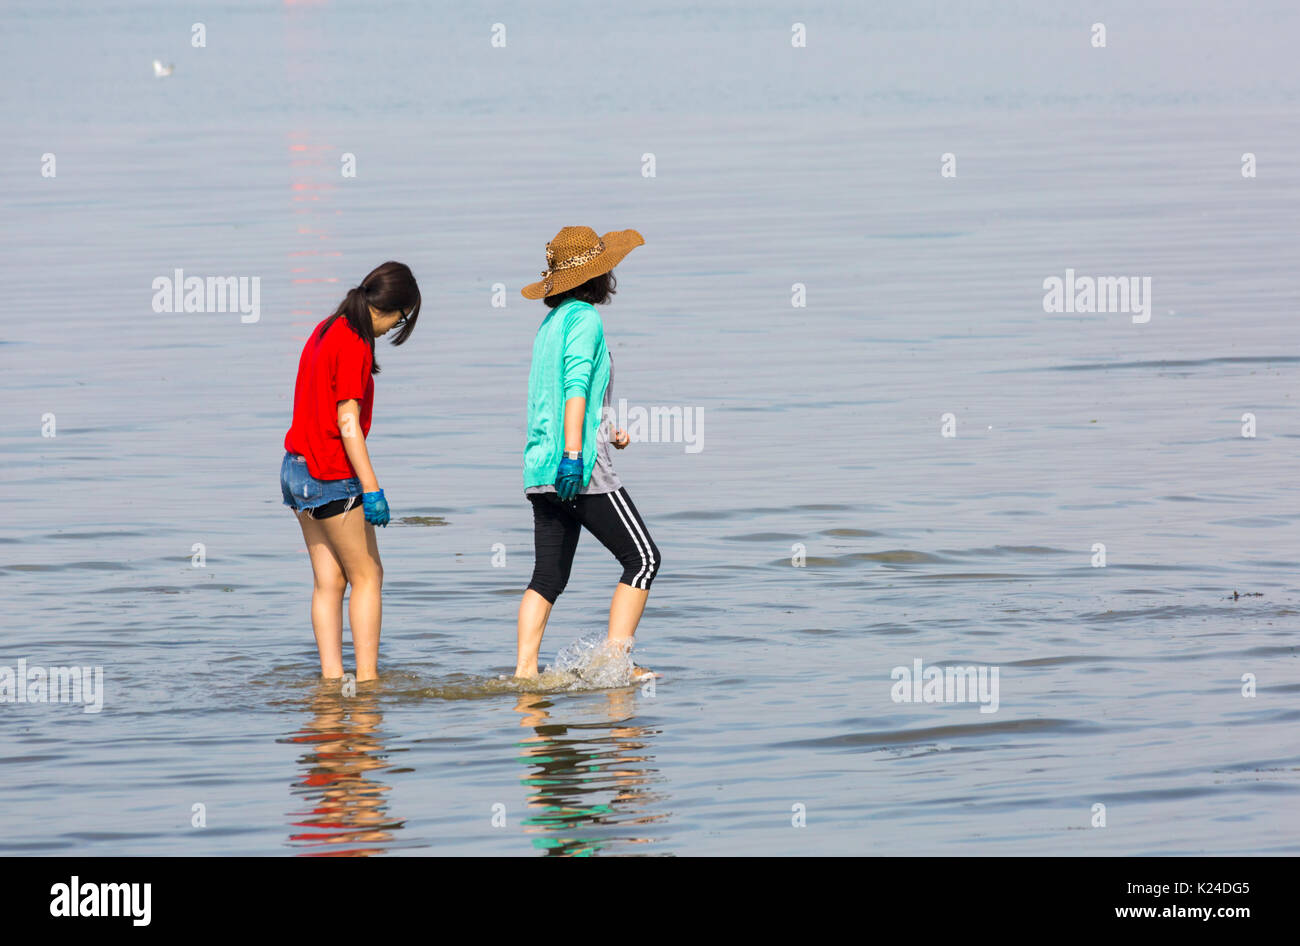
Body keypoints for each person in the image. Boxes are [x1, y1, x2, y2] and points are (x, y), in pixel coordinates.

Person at [515, 227, 661, 680]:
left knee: (548, 577)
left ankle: (524, 674)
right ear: (599, 276)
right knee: (643, 559)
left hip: (540, 466)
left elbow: (553, 397)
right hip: (575, 466)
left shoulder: (550, 324)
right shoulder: (585, 318)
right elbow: (575, 387)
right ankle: (618, 665)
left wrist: (604, 429)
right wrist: (576, 454)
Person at [281, 261, 421, 682]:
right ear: (390, 309)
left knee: (329, 581)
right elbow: (347, 423)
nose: (396, 327)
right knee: (368, 575)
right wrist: (373, 488)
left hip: (295, 469)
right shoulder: (355, 342)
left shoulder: (327, 328)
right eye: (401, 318)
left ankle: (330, 681)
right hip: (330, 473)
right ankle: (367, 682)